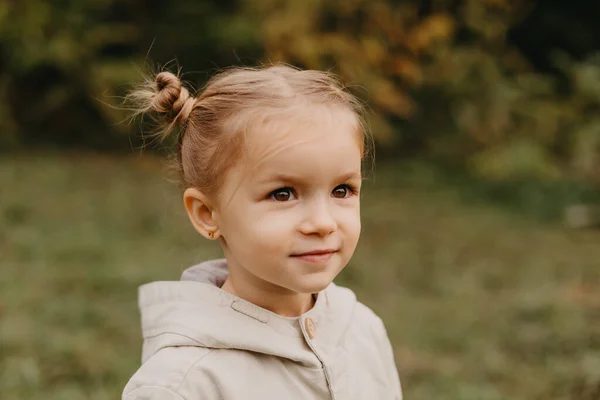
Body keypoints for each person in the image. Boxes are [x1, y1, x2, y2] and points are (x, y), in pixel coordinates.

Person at [122, 64, 402, 400]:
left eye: (341, 190)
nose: (323, 223)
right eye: (283, 194)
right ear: (208, 214)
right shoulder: (183, 384)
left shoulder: (362, 330)